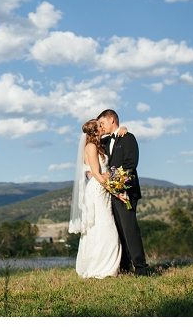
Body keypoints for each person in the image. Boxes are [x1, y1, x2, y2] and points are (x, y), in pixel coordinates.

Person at [97, 109, 149, 276]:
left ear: (112, 120)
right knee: (118, 231)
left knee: (130, 230)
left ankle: (141, 268)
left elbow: (130, 163)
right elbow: (91, 142)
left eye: (102, 123)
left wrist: (115, 181)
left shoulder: (128, 138)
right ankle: (125, 267)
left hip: (126, 190)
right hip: (112, 192)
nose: (101, 127)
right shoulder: (106, 141)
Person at [69, 119, 122, 279]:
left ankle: (102, 265)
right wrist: (115, 190)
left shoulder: (99, 145)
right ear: (95, 132)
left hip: (102, 189)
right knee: (105, 227)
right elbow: (97, 174)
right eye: (100, 126)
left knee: (100, 226)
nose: (103, 127)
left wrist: (122, 128)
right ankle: (101, 267)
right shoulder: (91, 147)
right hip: (98, 190)